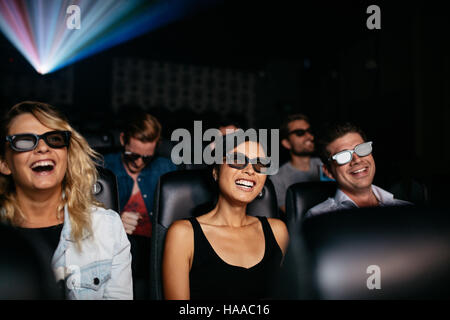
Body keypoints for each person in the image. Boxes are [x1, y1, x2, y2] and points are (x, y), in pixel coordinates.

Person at [0, 101, 132, 299]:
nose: (43, 148)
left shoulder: (107, 227)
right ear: (4, 163)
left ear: (67, 155)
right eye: (25, 141)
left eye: (54, 139)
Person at [162, 134, 289, 300]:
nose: (250, 170)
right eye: (237, 160)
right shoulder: (184, 234)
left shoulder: (278, 231)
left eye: (260, 164)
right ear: (216, 171)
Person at [103, 109, 177, 299]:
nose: (138, 163)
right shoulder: (103, 167)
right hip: (113, 250)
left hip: (154, 251)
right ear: (122, 140)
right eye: (132, 155)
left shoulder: (167, 168)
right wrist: (114, 222)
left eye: (146, 157)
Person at [305, 122, 410, 218]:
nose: (357, 160)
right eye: (343, 156)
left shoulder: (407, 211)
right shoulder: (318, 218)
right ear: (328, 172)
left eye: (362, 149)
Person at [270, 114, 323, 212]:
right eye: (300, 133)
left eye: (309, 131)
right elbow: (293, 215)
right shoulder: (277, 178)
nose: (310, 137)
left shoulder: (325, 166)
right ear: (287, 143)